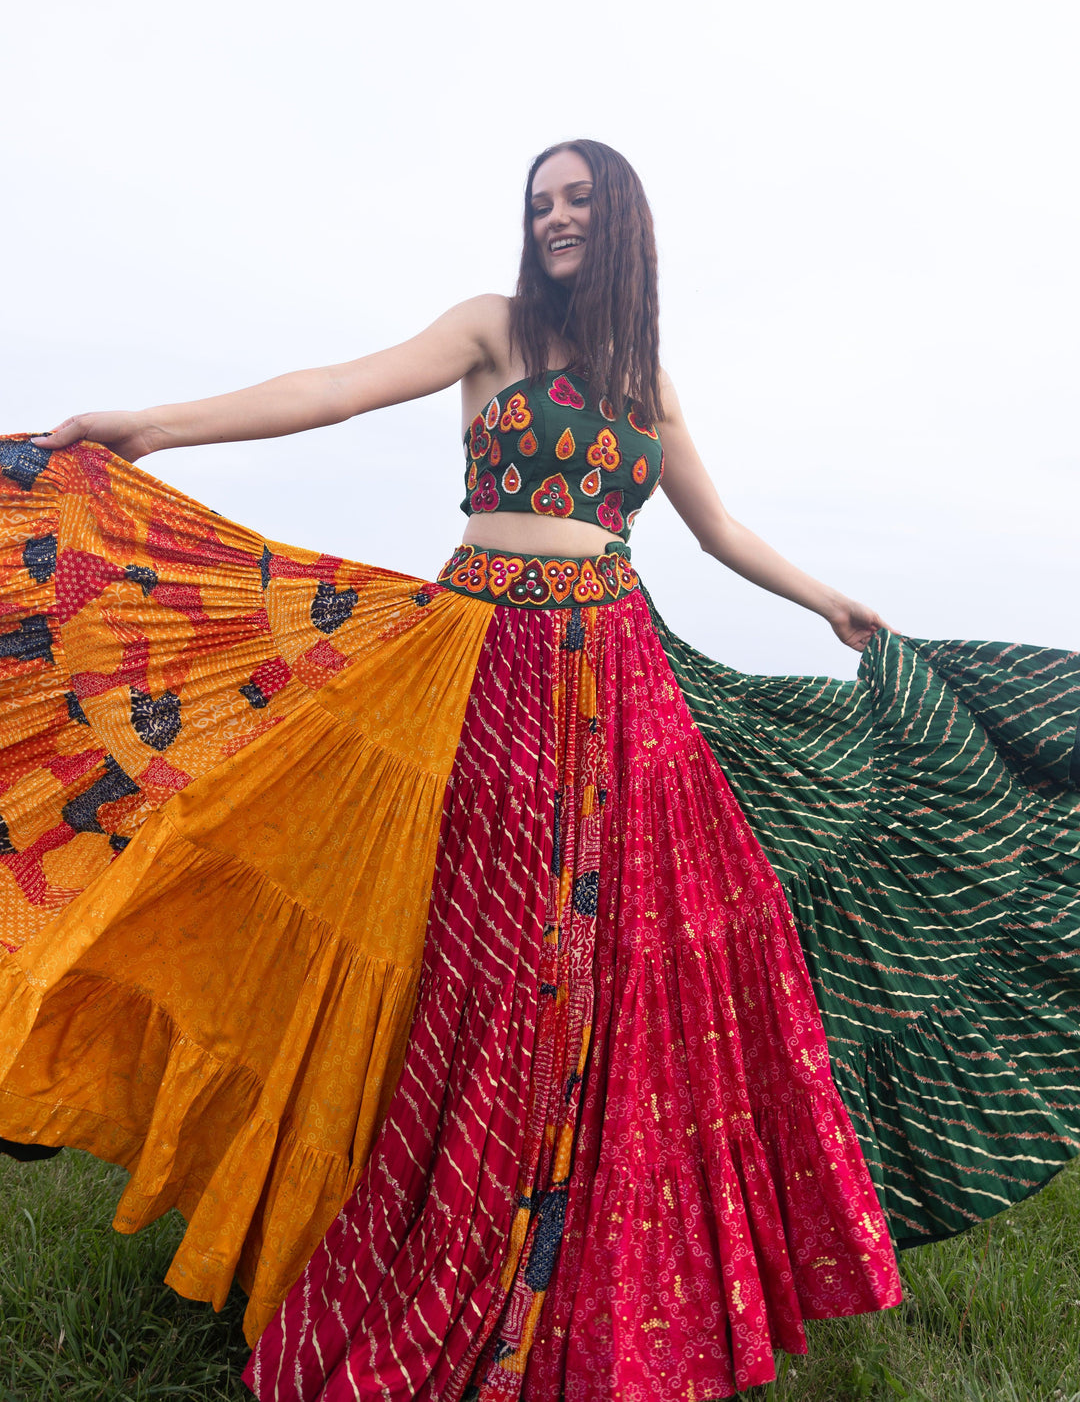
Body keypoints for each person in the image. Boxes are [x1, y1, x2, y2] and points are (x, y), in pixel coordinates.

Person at [0, 141, 1076, 1400]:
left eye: (577, 200)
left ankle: (579, 1282)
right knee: (493, 959)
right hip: (487, 662)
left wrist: (830, 602)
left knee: (612, 977)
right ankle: (442, 1231)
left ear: (620, 221)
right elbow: (342, 388)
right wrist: (156, 427)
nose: (555, 218)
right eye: (539, 203)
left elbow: (715, 526)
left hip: (622, 679)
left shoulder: (643, 380)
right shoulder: (493, 328)